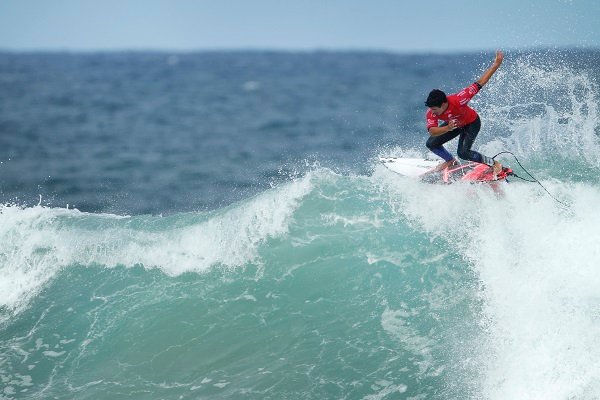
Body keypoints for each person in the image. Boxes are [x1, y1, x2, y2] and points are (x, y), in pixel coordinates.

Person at [424, 50, 504, 174]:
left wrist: (496, 64)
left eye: (435, 109)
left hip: (471, 123)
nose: (432, 112)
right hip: (454, 125)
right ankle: (450, 161)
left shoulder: (459, 99)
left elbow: (480, 82)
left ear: (444, 104)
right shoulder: (431, 112)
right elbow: (432, 131)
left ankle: (494, 163)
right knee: (431, 144)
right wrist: (447, 128)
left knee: (463, 153)